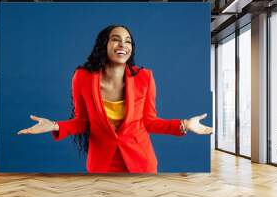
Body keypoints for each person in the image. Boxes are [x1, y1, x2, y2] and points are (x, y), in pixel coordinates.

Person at [18, 25, 213, 173]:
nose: (123, 45)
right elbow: (82, 121)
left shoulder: (145, 77)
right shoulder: (82, 77)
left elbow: (150, 122)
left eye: (128, 41)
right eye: (116, 39)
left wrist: (185, 124)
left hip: (141, 162)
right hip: (101, 163)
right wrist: (55, 126)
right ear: (104, 44)